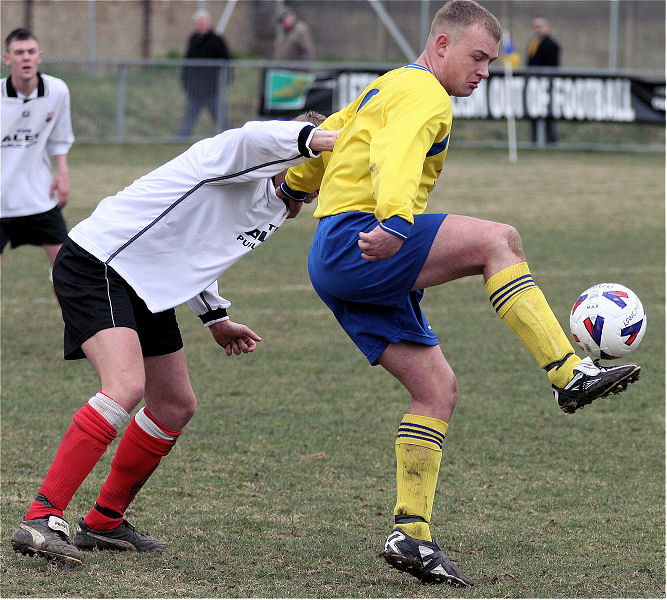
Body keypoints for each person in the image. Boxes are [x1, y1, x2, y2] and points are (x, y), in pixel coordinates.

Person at [279, 0, 640, 587]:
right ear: (441, 45)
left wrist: (292, 186)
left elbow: (337, 138)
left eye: (492, 61)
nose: (484, 71)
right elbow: (393, 156)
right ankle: (568, 372)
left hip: (341, 254)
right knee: (499, 241)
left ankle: (410, 533)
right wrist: (397, 221)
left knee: (436, 390)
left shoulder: (388, 86)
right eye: (477, 57)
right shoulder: (425, 93)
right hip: (364, 239)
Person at [10, 113, 337, 567]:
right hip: (99, 262)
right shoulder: (234, 156)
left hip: (148, 286)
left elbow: (201, 251)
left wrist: (216, 318)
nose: (315, 184)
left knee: (175, 405)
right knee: (124, 388)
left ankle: (104, 520)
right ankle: (41, 518)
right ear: (291, 152)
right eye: (314, 165)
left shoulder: (277, 205)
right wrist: (328, 138)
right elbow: (253, 135)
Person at [1, 28, 73, 278]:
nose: (26, 57)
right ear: (7, 59)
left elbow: (60, 137)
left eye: (31, 52)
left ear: (39, 56)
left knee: (67, 271)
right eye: (19, 53)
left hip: (38, 197)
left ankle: (69, 319)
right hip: (1, 200)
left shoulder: (57, 91)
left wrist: (62, 173)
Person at [177, 9, 232, 138]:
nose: (201, 25)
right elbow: (187, 61)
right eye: (198, 23)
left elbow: (226, 62)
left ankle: (230, 137)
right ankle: (181, 138)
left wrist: (225, 81)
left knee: (219, 116)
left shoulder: (217, 40)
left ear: (208, 23)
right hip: (195, 88)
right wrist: (185, 81)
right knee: (189, 115)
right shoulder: (193, 39)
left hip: (212, 88)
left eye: (203, 22)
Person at [526, 17, 560, 145]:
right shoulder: (533, 43)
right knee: (534, 113)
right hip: (534, 85)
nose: (537, 29)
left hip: (546, 85)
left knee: (548, 115)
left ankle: (551, 143)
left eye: (540, 26)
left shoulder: (551, 44)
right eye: (535, 27)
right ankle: (535, 142)